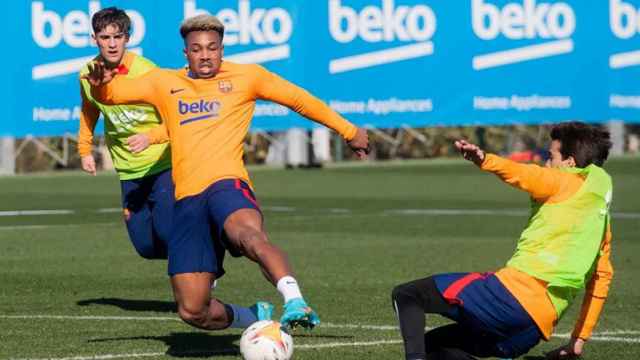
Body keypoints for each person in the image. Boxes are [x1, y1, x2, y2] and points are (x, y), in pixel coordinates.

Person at [83, 14, 370, 331]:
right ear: (186, 53)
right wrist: (101, 87)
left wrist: (349, 130)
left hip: (226, 184)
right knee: (192, 311)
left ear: (222, 49)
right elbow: (116, 94)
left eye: (212, 48)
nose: (205, 55)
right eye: (197, 49)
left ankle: (294, 299)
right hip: (188, 200)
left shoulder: (247, 77)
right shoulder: (164, 82)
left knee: (248, 236)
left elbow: (299, 100)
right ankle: (254, 317)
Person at [392, 122, 614, 360]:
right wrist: (578, 340)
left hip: (510, 298)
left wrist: (484, 159)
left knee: (407, 295)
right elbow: (601, 277)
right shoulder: (599, 219)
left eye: (550, 157)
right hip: (534, 328)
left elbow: (525, 174)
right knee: (432, 348)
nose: (545, 164)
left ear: (569, 163)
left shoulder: (561, 181)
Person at [78, 7, 172, 260]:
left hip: (163, 166)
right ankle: (196, 255)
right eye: (105, 37)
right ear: (94, 38)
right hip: (128, 172)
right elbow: (89, 112)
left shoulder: (148, 72)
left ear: (127, 38)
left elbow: (176, 120)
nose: (111, 44)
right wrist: (84, 150)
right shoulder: (88, 74)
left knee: (168, 233)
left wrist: (150, 137)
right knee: (146, 248)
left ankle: (204, 271)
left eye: (117, 37)